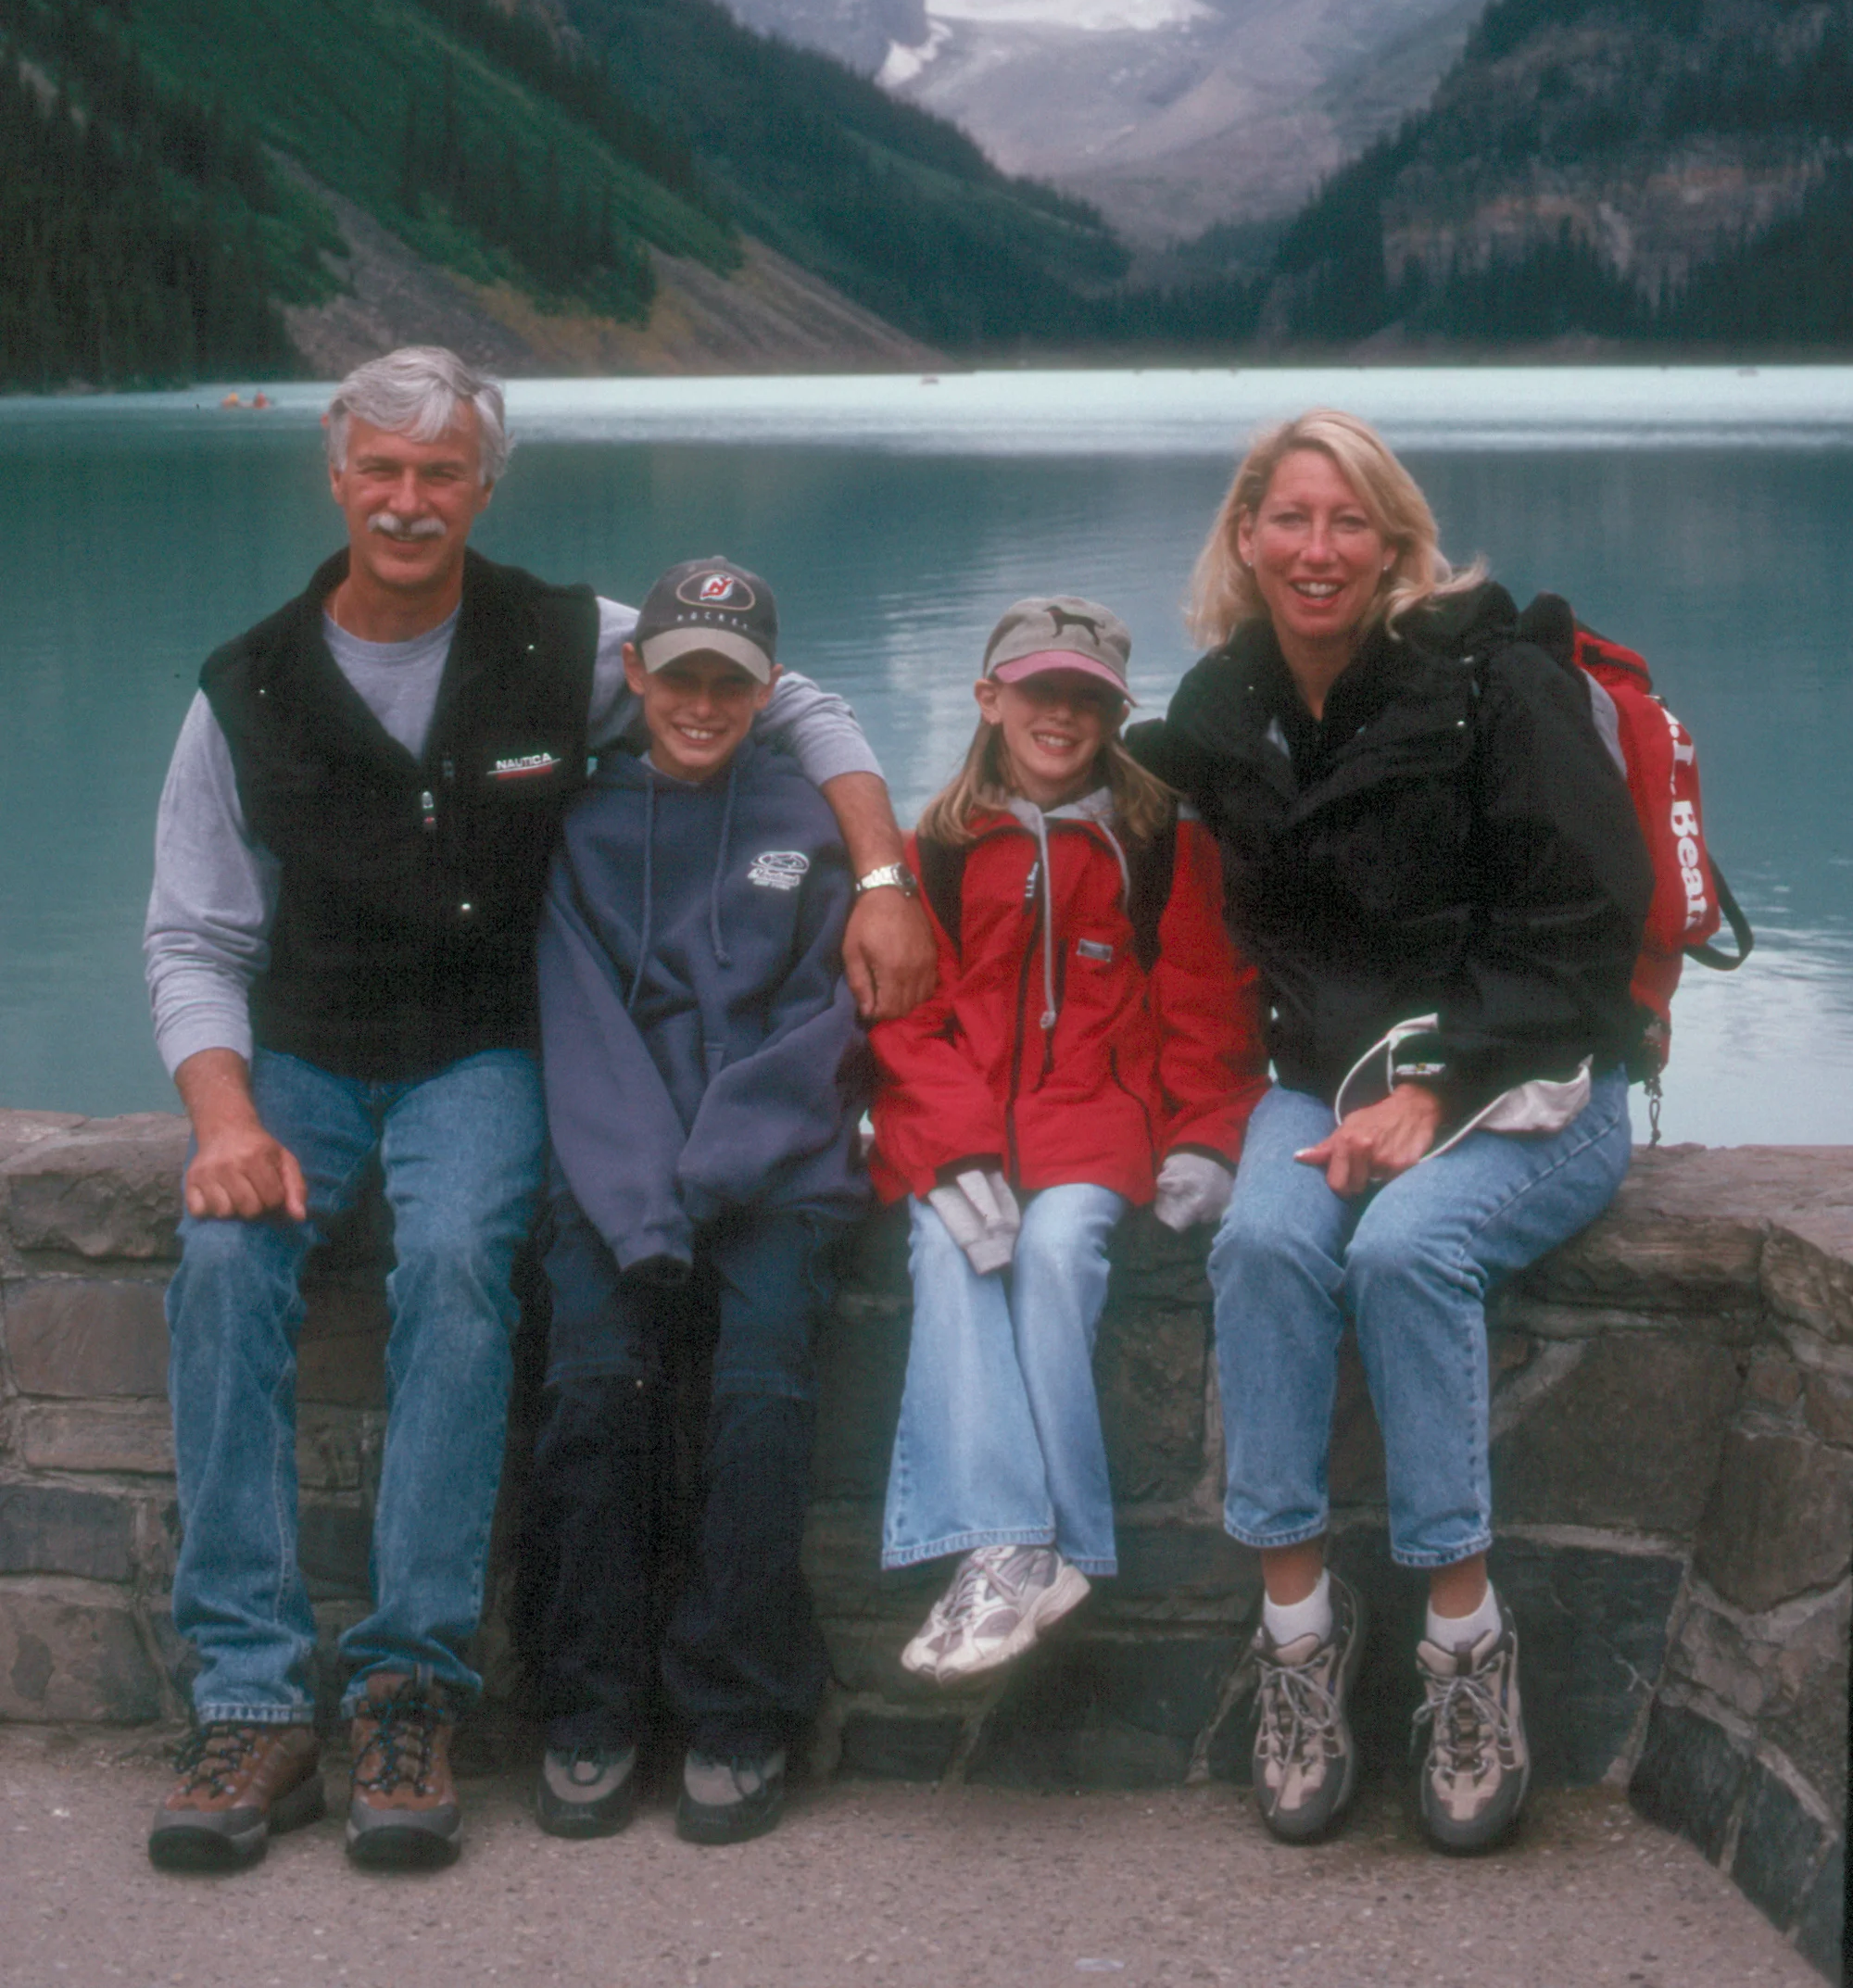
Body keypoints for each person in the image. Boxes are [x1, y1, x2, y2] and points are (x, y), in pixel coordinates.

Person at [144, 348, 933, 1873]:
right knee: (224, 1267)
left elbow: (796, 696)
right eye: (381, 468)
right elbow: (193, 939)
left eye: (442, 474)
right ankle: (250, 1701)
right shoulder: (242, 687)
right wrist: (224, 1118)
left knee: (455, 1264)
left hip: (481, 1055)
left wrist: (885, 877)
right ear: (336, 476)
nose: (408, 499)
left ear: (485, 490)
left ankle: (407, 1687)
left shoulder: (571, 640)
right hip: (299, 1054)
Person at [1128, 409, 1651, 1854]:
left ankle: (1463, 1649)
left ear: (1396, 545)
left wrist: (1444, 1088)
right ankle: (1296, 1640)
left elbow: (1587, 932)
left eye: (1350, 521)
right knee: (1267, 1243)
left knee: (1411, 1251)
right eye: (1289, 518)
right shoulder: (1225, 708)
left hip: (1538, 1075)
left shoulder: (1499, 688)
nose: (1318, 549)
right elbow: (1196, 933)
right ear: (1244, 539)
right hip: (1331, 1079)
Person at [525, 558, 867, 1846]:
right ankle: (590, 1705)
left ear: (767, 689)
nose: (704, 702)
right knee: (592, 1383)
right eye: (682, 677)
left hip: (775, 1173)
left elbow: (822, 1020)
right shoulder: (578, 824)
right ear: (637, 676)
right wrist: (648, 1202)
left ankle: (739, 1711)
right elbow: (580, 1021)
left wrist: (717, 1170)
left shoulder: (816, 822)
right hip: (618, 1172)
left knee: (763, 1393)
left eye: (731, 680)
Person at [867, 598, 1267, 1681]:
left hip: (1099, 1134)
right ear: (988, 699)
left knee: (1053, 1255)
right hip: (967, 1140)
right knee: (946, 1252)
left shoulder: (1158, 843)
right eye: (1038, 690)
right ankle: (1013, 1548)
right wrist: (948, 1154)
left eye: (1085, 698)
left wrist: (1207, 1142)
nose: (1060, 714)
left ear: (1112, 713)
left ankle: (1044, 1550)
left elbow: (1206, 1008)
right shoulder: (934, 850)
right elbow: (903, 1023)